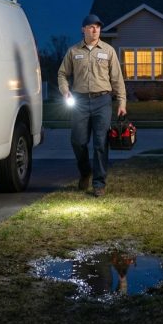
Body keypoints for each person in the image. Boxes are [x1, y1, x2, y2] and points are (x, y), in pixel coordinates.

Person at [57, 14, 127, 197]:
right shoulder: (73, 52)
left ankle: (99, 183)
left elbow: (117, 79)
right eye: (90, 26)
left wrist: (122, 102)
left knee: (100, 143)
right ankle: (85, 171)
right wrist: (65, 91)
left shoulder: (108, 51)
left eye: (97, 26)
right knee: (78, 141)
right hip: (79, 101)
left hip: (103, 101)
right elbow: (62, 74)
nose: (95, 29)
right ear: (83, 29)